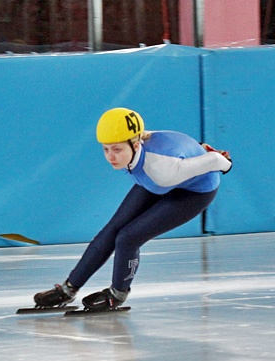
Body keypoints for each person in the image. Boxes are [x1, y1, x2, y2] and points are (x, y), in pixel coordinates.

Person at [33, 107, 232, 312]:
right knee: (111, 230)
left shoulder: (163, 170)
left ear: (136, 145)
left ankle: (118, 294)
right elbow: (178, 144)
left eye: (117, 149)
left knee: (128, 237)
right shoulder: (135, 145)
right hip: (156, 178)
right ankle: (68, 289)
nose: (111, 156)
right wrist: (198, 148)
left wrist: (226, 163)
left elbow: (216, 161)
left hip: (194, 192)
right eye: (106, 149)